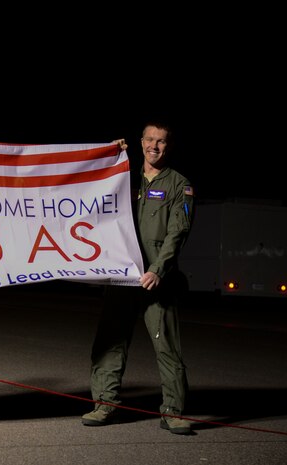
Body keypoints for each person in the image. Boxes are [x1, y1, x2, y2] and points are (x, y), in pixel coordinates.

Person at [82, 121, 195, 435]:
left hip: (156, 281)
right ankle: (105, 405)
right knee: (109, 343)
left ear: (168, 146)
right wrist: (107, 156)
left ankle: (172, 412)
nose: (154, 147)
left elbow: (178, 232)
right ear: (140, 141)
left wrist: (158, 269)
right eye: (149, 140)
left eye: (161, 141)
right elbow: (86, 190)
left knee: (167, 348)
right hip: (122, 277)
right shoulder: (122, 176)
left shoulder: (179, 185)